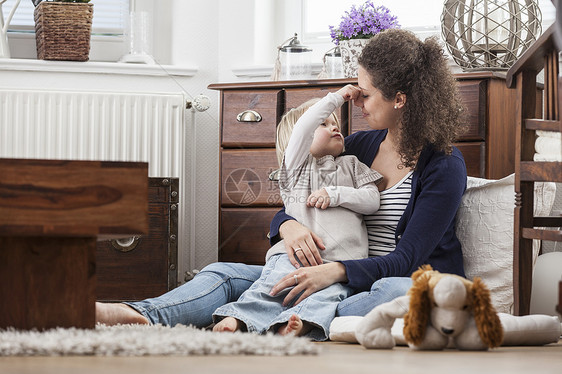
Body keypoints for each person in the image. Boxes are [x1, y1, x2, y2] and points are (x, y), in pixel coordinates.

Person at [95, 28, 467, 328]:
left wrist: (332, 273)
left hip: (394, 280)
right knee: (222, 272)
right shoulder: (356, 148)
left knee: (392, 291)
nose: (356, 101)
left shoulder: (443, 166)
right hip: (334, 275)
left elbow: (406, 260)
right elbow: (295, 196)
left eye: (366, 94)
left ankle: (290, 316)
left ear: (399, 100)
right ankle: (141, 314)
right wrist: (287, 227)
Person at [211, 89, 382, 340]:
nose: (335, 127)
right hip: (293, 259)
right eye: (324, 123)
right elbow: (304, 127)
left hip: (339, 267)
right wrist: (335, 99)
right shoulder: (298, 169)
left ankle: (296, 324)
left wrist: (335, 194)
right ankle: (238, 320)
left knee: (329, 297)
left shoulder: (354, 165)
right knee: (270, 290)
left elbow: (372, 201)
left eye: (336, 123)